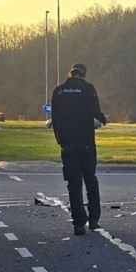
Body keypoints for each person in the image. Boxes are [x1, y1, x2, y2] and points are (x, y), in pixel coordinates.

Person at [51, 63, 107, 236]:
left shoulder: (59, 91)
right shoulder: (88, 89)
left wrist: (61, 140)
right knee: (90, 179)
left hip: (67, 143)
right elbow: (95, 112)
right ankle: (94, 219)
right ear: (84, 74)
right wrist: (104, 120)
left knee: (73, 183)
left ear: (70, 73)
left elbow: (55, 118)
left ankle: (78, 223)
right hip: (86, 142)